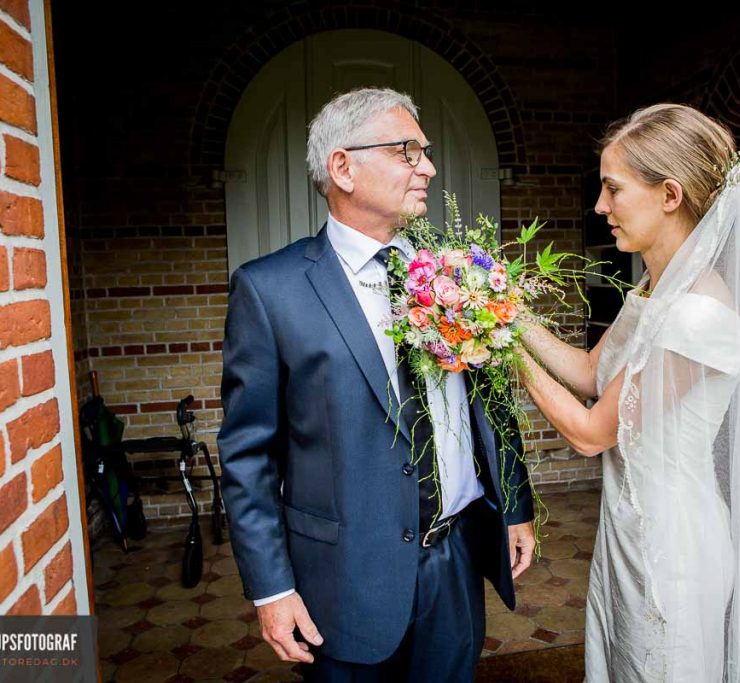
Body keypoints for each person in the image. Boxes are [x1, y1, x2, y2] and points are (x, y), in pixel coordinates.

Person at [217, 87, 535, 682]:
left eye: (427, 151)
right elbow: (247, 454)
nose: (429, 168)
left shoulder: (460, 274)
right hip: (342, 581)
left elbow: (490, 403)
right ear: (344, 167)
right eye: (408, 151)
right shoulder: (270, 290)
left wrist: (513, 503)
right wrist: (271, 589)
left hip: (455, 561)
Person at [517, 104, 740, 681]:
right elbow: (592, 372)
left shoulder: (697, 312)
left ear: (669, 195)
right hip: (628, 527)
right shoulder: (655, 288)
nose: (601, 207)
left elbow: (592, 433)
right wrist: (505, 315)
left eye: (613, 189)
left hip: (673, 544)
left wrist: (498, 347)